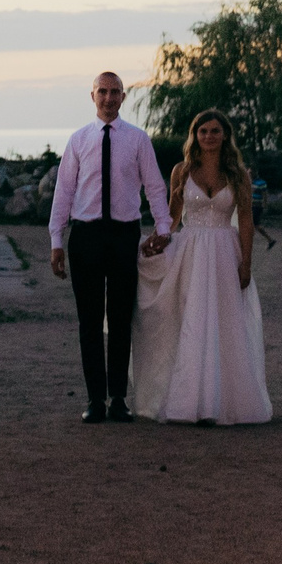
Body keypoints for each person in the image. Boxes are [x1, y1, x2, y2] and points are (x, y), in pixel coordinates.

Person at [47, 71, 172, 424]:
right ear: (92, 96)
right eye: (102, 92)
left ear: (123, 97)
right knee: (88, 321)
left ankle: (118, 398)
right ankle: (94, 399)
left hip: (123, 235)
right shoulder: (78, 140)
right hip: (85, 237)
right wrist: (57, 241)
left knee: (120, 319)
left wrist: (162, 228)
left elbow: (155, 187)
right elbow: (63, 192)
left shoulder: (137, 140)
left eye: (115, 92)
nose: (108, 98)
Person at [131, 108, 270, 425]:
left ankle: (222, 403)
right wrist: (157, 241)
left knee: (225, 323)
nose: (209, 136)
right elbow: (172, 217)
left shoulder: (238, 174)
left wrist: (246, 264)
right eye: (203, 131)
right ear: (195, 136)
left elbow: (246, 221)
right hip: (190, 252)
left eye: (215, 131)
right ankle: (188, 402)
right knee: (189, 321)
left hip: (225, 252)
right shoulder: (182, 171)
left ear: (225, 136)